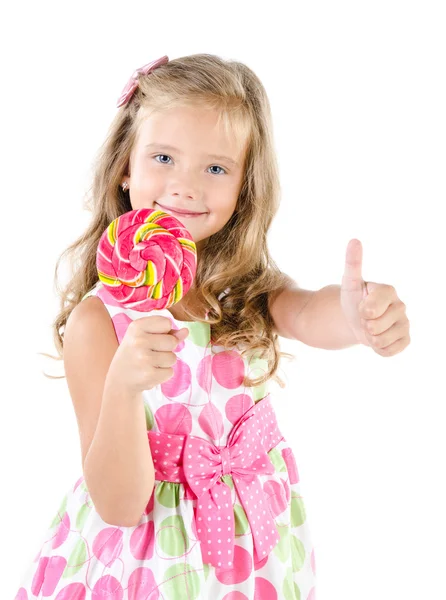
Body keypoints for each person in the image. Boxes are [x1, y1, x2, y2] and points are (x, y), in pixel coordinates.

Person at [15, 53, 319, 600]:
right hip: (153, 563)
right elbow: (119, 503)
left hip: (253, 546)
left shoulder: (242, 289)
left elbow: (309, 313)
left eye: (216, 168)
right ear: (125, 169)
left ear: (244, 186)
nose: (185, 186)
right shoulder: (98, 322)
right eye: (162, 158)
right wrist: (124, 387)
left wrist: (355, 314)